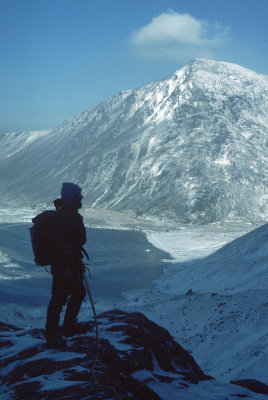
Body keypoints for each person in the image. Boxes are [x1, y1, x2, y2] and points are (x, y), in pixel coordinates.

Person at [45, 182, 87, 347]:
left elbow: (76, 242)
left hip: (70, 264)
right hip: (65, 267)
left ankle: (66, 328)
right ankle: (53, 334)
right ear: (71, 197)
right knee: (60, 298)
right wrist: (65, 268)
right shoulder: (63, 219)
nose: (81, 197)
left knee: (76, 293)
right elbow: (59, 246)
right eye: (78, 195)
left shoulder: (70, 216)